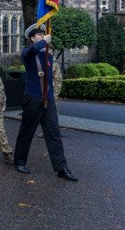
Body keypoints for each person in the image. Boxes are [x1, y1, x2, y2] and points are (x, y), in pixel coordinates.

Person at [13, 24, 76, 181]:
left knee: (54, 133)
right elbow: (32, 50)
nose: (43, 36)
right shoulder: (28, 53)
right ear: (33, 38)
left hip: (48, 99)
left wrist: (51, 95)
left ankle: (61, 167)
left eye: (44, 34)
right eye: (40, 35)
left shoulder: (48, 55)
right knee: (27, 132)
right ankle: (19, 161)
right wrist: (44, 41)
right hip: (33, 98)